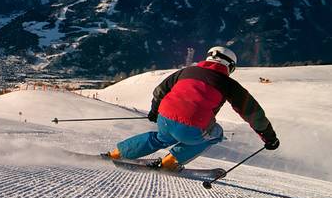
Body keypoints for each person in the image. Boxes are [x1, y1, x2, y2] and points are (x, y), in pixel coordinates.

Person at [106, 46, 280, 170]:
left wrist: (154, 111)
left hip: (164, 119)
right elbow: (253, 113)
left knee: (160, 138)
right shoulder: (229, 84)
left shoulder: (186, 71)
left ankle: (117, 153)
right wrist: (269, 138)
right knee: (216, 134)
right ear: (230, 66)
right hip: (193, 126)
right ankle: (171, 162)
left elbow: (160, 90)